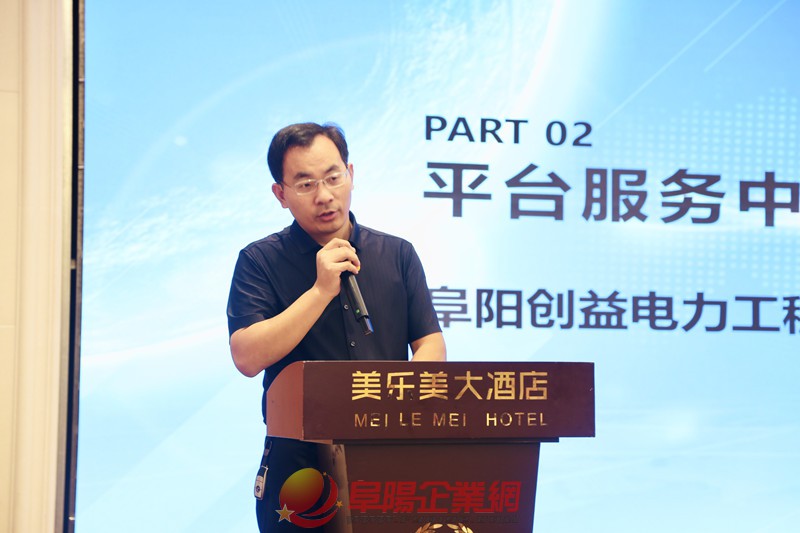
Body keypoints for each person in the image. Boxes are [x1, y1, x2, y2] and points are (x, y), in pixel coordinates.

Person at [226, 122, 447, 531]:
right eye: (305, 184)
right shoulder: (259, 261)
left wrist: (403, 404)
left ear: (351, 174)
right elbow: (247, 356)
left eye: (333, 177)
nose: (324, 195)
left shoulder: (397, 254)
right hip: (299, 472)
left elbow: (430, 342)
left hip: (388, 457)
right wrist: (320, 290)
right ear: (281, 195)